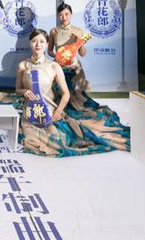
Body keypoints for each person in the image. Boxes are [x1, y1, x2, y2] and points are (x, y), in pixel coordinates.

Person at [15, 28, 129, 157]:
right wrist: (24, 91)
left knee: (58, 139)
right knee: (33, 138)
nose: (38, 45)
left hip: (49, 111)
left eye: (41, 41)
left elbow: (66, 94)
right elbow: (17, 90)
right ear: (30, 43)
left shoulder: (54, 66)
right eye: (34, 41)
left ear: (47, 44)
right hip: (30, 113)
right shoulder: (22, 66)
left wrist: (57, 112)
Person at [48, 2, 91, 111]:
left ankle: (74, 104)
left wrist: (80, 41)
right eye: (61, 15)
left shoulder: (78, 31)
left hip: (73, 65)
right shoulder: (54, 31)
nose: (64, 17)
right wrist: (57, 56)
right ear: (58, 16)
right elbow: (49, 50)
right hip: (58, 64)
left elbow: (82, 54)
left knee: (76, 96)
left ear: (71, 14)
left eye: (66, 14)